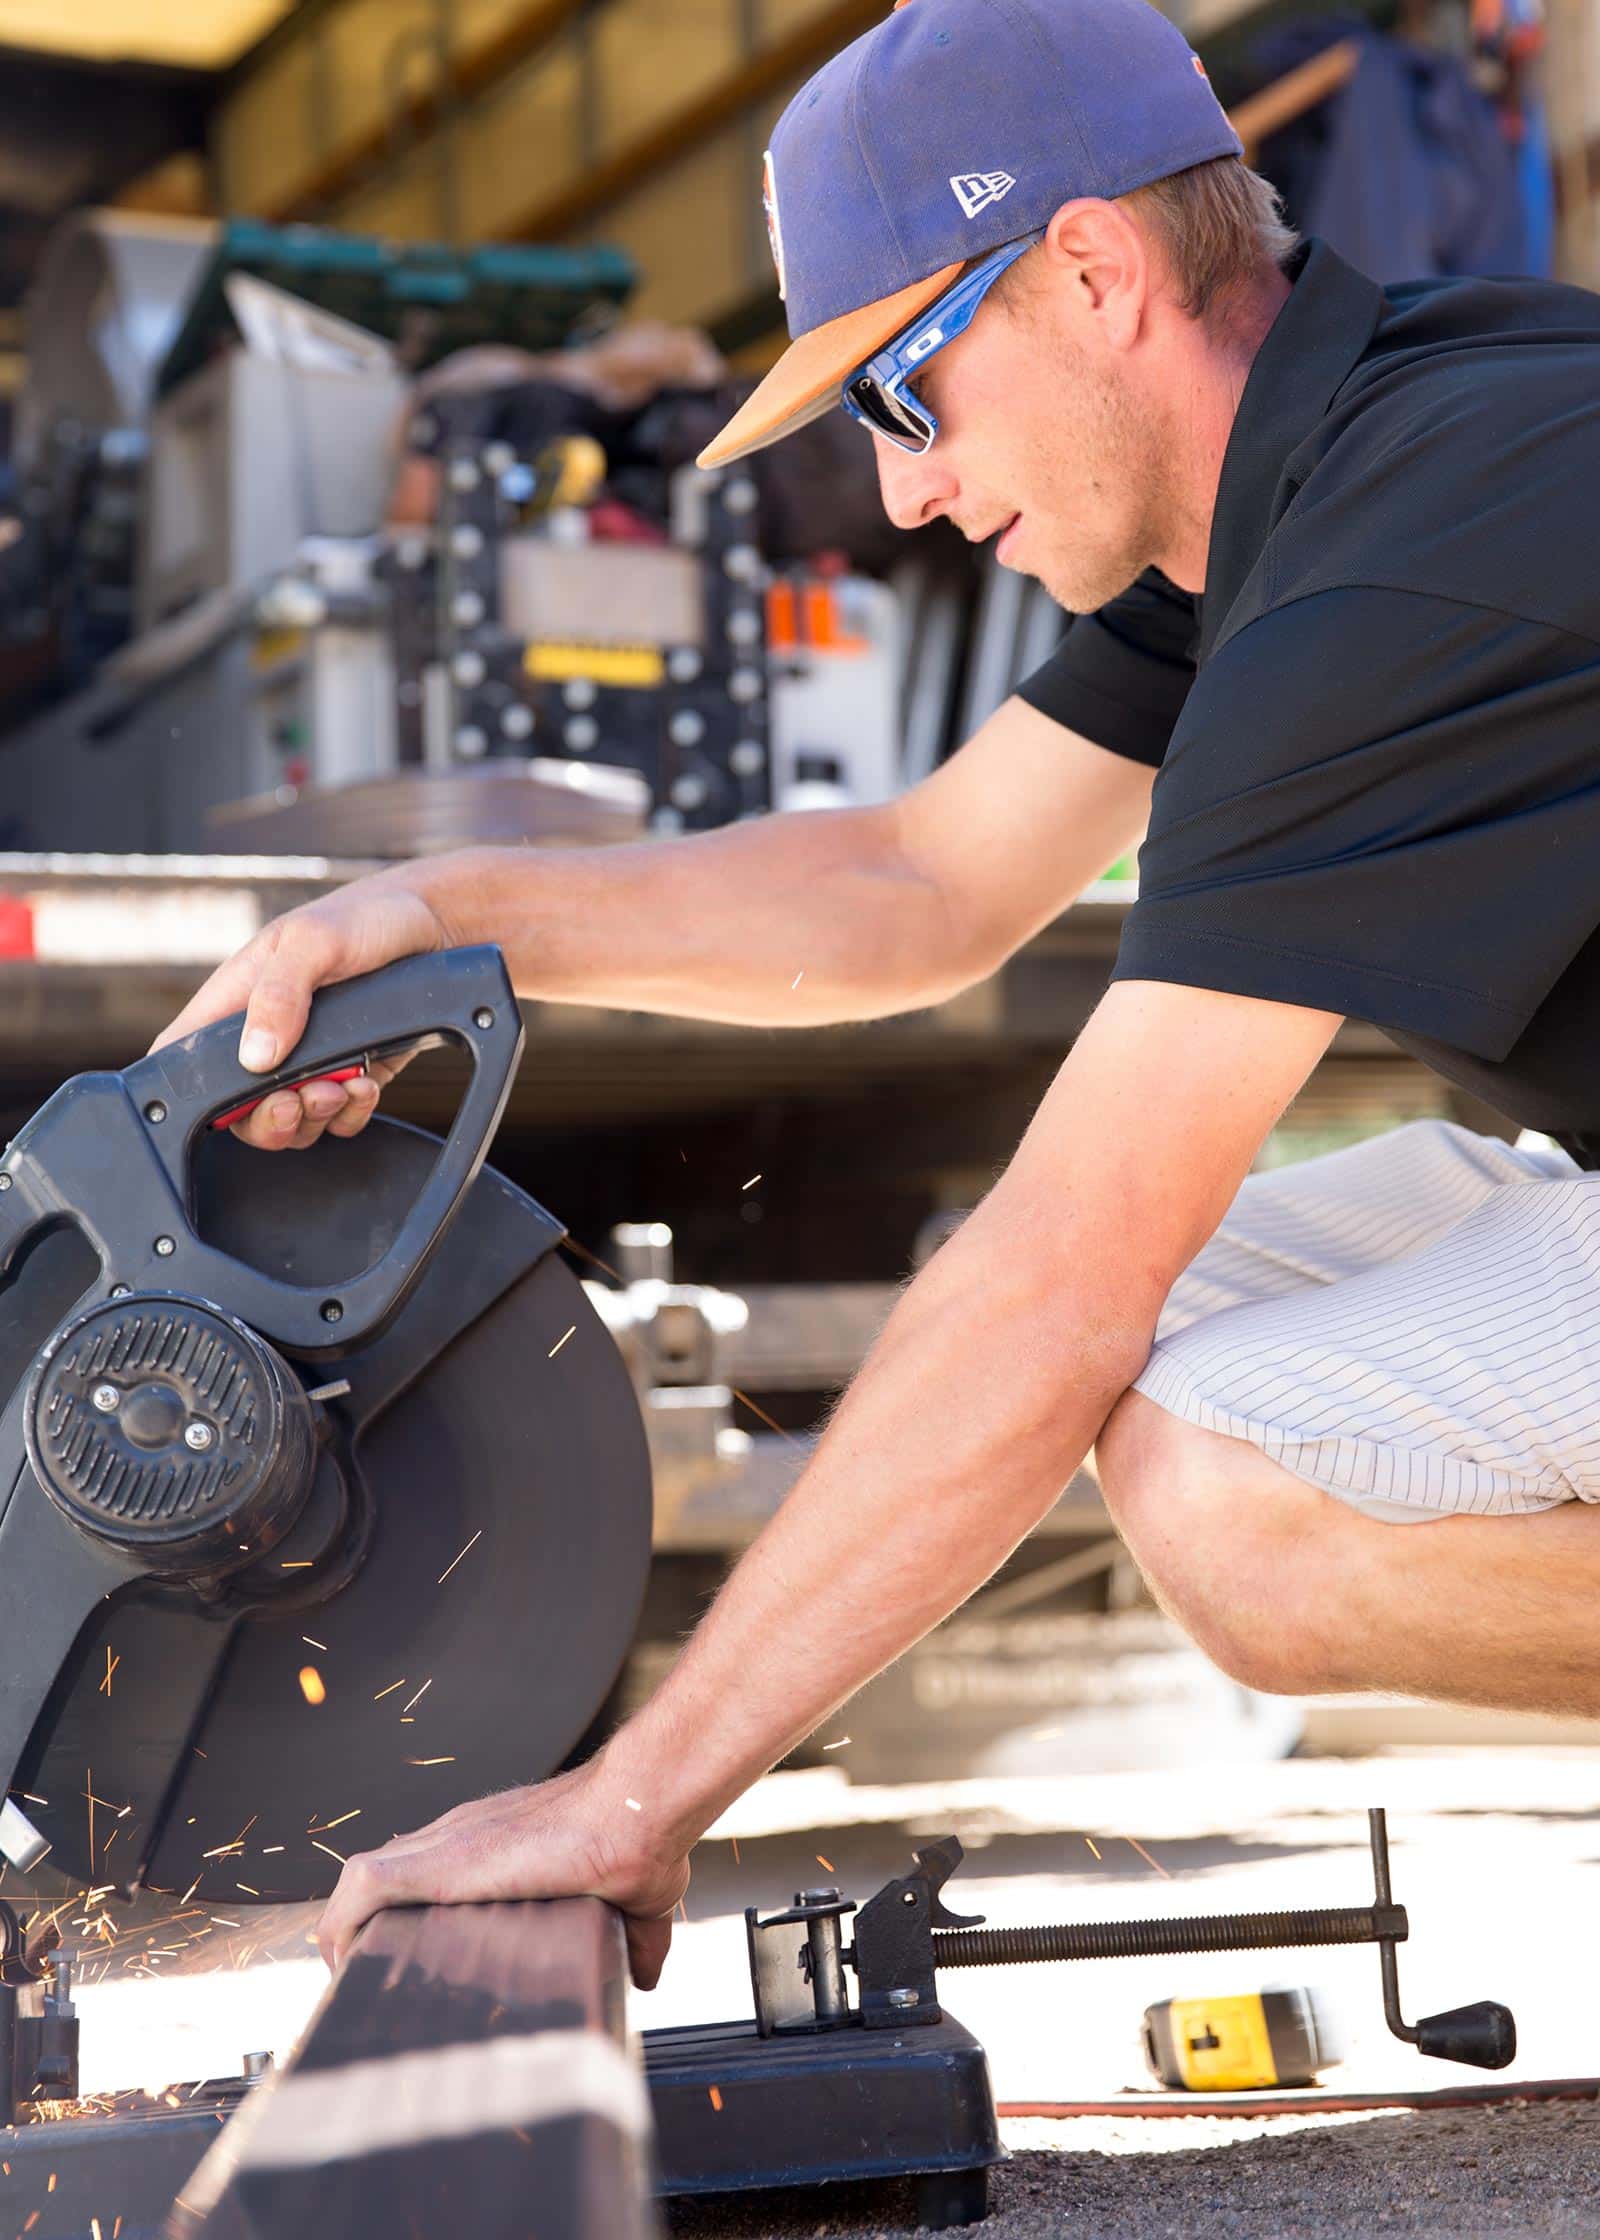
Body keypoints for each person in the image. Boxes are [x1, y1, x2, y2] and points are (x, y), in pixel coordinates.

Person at [154, 0, 1600, 1984]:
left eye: (904, 396)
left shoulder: (1397, 559)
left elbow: (1049, 1270)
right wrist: (436, 923)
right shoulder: (1306, 482)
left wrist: (636, 1789)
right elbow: (919, 884)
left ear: (1089, 271)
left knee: (1230, 1495)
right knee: (1158, 1366)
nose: (901, 496)